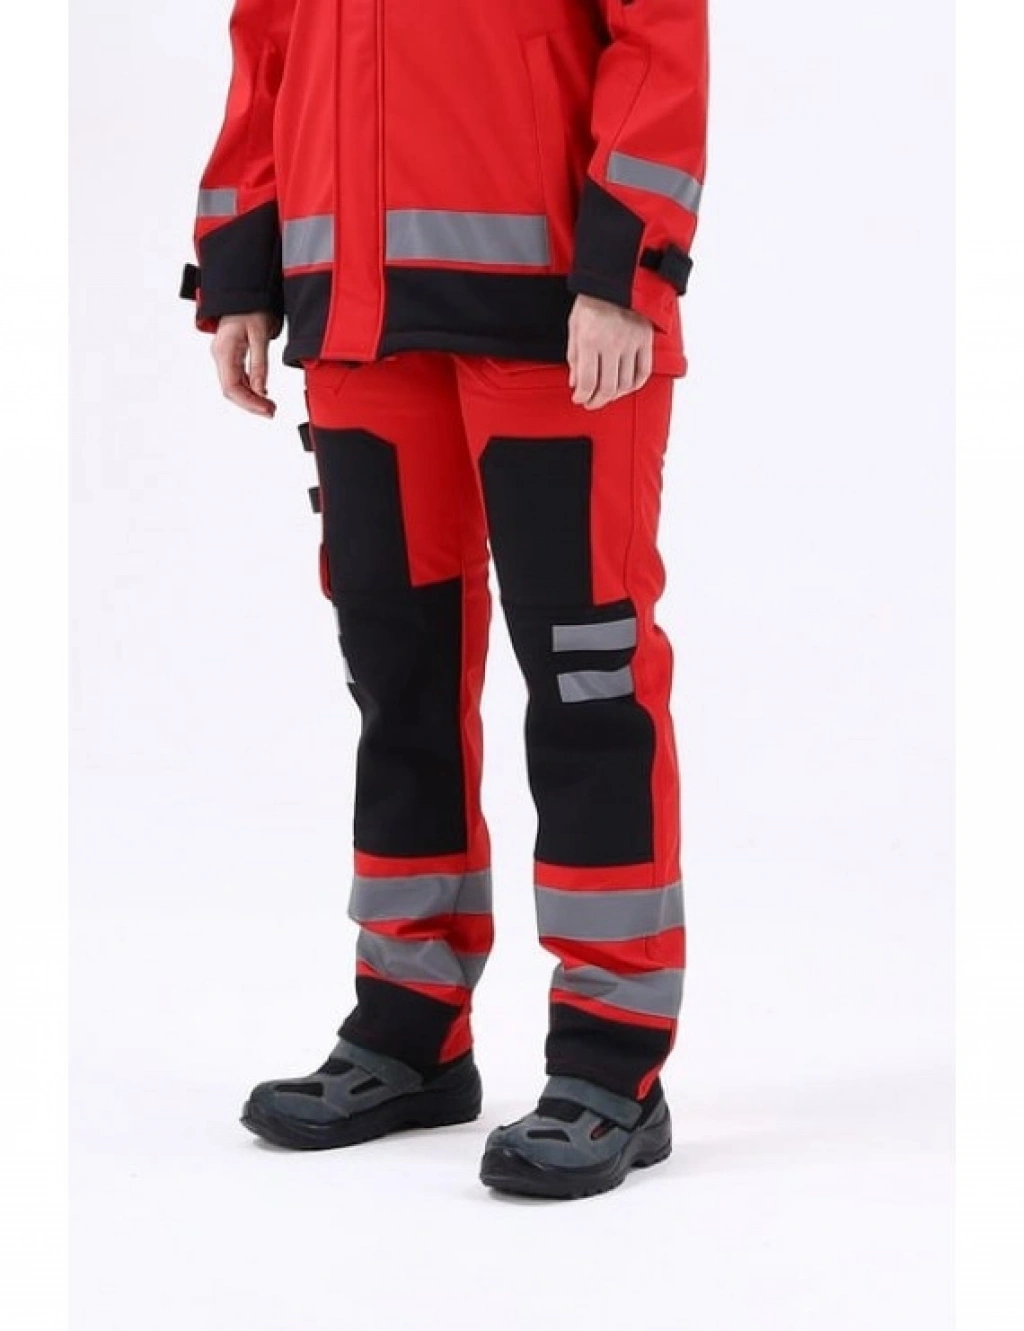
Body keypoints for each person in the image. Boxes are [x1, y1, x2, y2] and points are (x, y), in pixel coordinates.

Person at [181, 0, 708, 1200]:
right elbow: (267, 49)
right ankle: (409, 1024)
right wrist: (242, 265)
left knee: (588, 673)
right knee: (397, 675)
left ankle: (612, 1057)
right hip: (353, 318)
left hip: (559, 318)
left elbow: (661, 43)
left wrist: (626, 269)